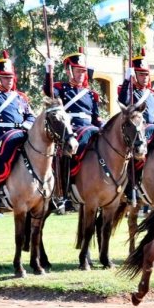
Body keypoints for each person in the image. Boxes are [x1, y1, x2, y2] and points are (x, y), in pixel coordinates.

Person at [43, 47, 102, 210]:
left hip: (90, 129)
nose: (81, 74)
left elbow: (96, 118)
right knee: (68, 151)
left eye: (83, 71)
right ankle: (66, 193)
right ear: (69, 71)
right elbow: (48, 92)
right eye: (78, 71)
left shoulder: (91, 94)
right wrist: (48, 72)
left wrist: (104, 127)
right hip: (70, 130)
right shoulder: (60, 88)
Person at [0, 50, 36, 212]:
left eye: (11, 77)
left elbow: (30, 116)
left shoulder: (19, 97)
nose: (9, 81)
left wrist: (27, 125)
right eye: (5, 77)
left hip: (21, 134)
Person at [119, 48, 154, 141]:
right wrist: (126, 81)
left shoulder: (152, 95)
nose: (145, 78)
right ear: (135, 76)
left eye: (146, 74)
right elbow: (122, 100)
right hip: (137, 131)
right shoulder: (130, 91)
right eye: (141, 75)